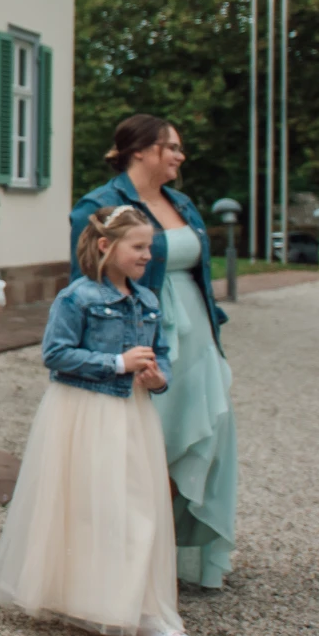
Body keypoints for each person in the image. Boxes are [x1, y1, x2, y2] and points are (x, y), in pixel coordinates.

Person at [0, 205, 198, 636]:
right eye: (138, 246)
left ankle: (142, 608)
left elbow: (161, 355)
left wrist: (158, 379)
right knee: (93, 503)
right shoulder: (77, 298)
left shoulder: (148, 300)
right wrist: (117, 364)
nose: (147, 256)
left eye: (149, 248)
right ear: (106, 246)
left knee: (139, 501)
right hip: (85, 411)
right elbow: (55, 353)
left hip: (133, 414)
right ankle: (100, 598)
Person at [71, 114, 237, 590]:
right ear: (140, 150)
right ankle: (127, 563)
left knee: (200, 439)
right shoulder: (100, 204)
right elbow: (83, 283)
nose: (179, 157)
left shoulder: (181, 202)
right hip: (137, 336)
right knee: (142, 447)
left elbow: (201, 273)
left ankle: (171, 555)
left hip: (196, 338)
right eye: (172, 147)